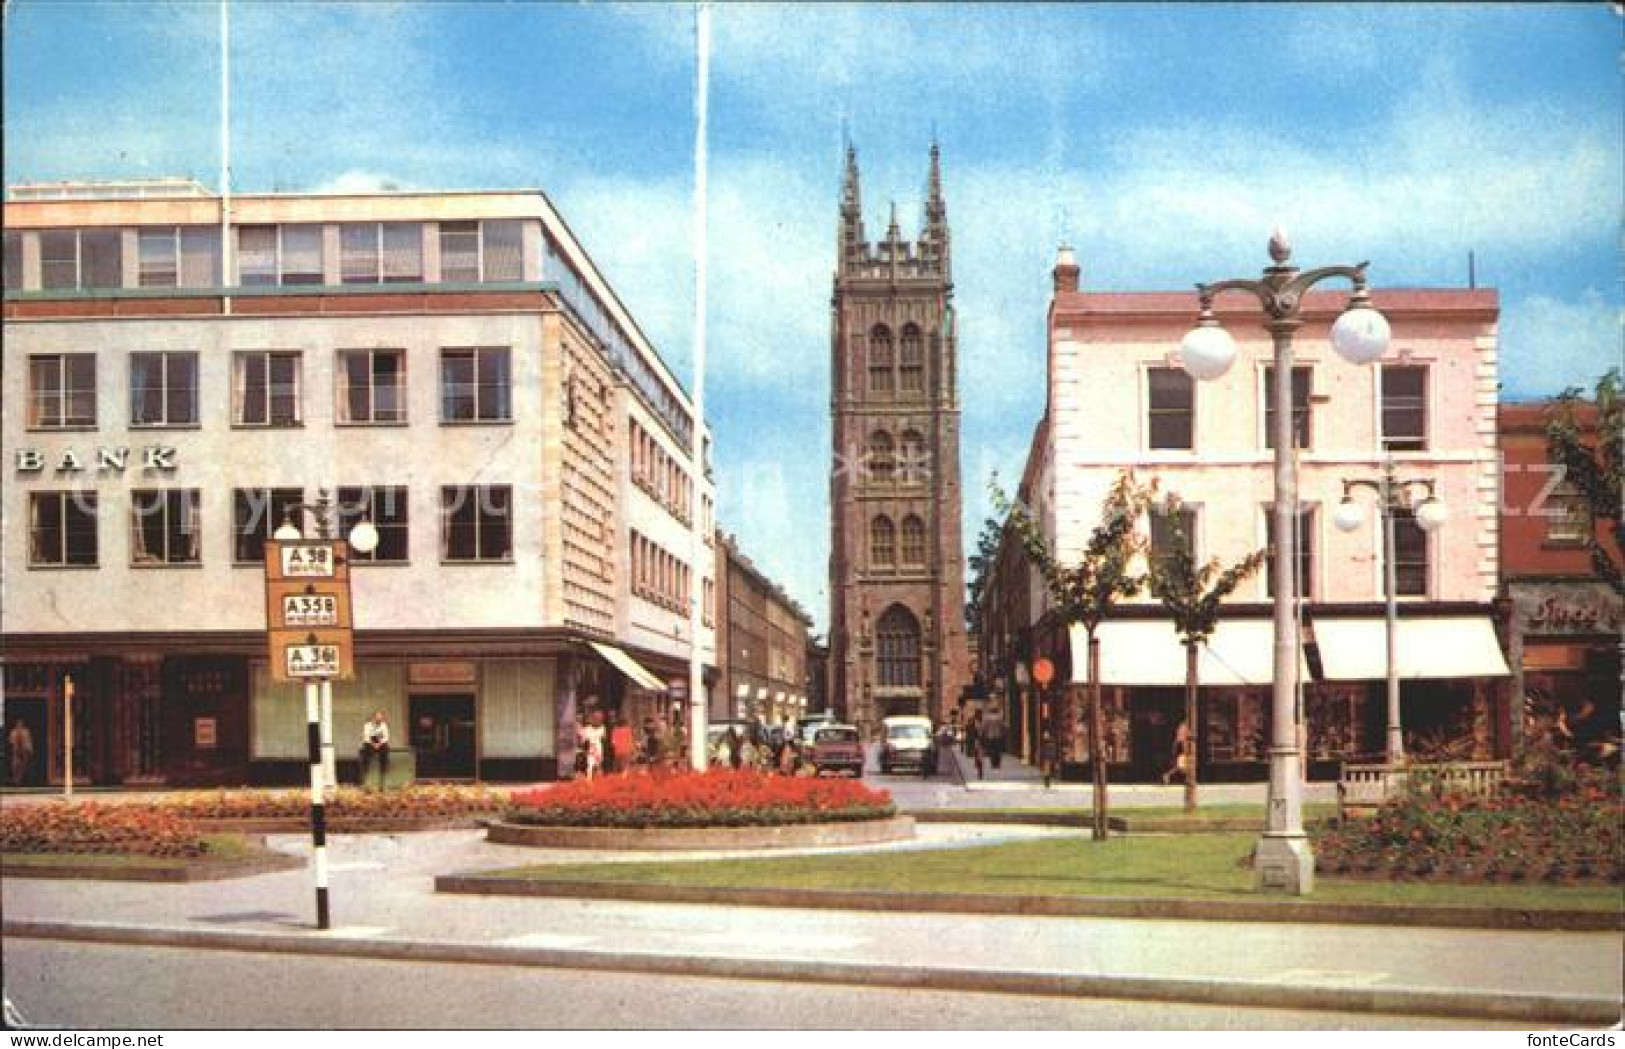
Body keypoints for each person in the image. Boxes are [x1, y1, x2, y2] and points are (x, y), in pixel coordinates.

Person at [359, 710, 390, 787]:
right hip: (370, 743)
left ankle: (383, 771)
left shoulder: (384, 725)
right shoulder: (367, 725)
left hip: (380, 742)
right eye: (377, 718)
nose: (379, 720)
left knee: (385, 748)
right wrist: (373, 744)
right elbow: (366, 737)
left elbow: (386, 737)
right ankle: (365, 773)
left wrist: (379, 744)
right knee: (365, 750)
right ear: (374, 718)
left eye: (380, 718)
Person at [1163, 719, 1191, 784]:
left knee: (1182, 766)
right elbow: (1183, 739)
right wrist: (1186, 750)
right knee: (1181, 766)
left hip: (1180, 747)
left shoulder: (1181, 727)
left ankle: (1167, 775)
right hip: (1182, 748)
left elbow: (1177, 739)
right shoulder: (1184, 727)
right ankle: (1167, 775)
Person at [580, 711, 606, 780]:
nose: (598, 720)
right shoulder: (586, 729)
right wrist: (586, 749)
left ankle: (599, 782)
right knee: (590, 766)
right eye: (596, 718)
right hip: (590, 750)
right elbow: (583, 741)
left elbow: (603, 739)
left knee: (598, 767)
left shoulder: (602, 728)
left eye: (600, 718)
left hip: (599, 750)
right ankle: (589, 782)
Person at [8, 718, 35, 786]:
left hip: (24, 749)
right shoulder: (13, 731)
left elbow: (28, 740)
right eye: (18, 723)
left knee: (23, 764)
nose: (19, 725)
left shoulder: (26, 731)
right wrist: (15, 746)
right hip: (16, 749)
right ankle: (16, 779)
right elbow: (11, 741)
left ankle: (20, 779)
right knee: (15, 764)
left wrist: (30, 749)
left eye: (21, 723)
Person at [965, 710, 985, 780]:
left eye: (981, 714)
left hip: (981, 741)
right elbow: (968, 729)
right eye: (979, 714)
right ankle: (979, 767)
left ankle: (980, 771)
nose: (980, 715)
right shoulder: (972, 721)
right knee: (978, 756)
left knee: (979, 757)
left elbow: (985, 731)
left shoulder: (983, 721)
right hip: (975, 741)